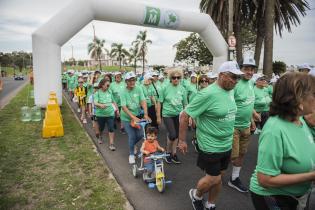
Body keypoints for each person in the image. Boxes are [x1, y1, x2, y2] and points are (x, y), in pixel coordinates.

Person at [178, 61, 244, 210]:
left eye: (237, 78)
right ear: (221, 75)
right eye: (232, 77)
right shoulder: (206, 94)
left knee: (218, 178)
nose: (235, 81)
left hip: (226, 143)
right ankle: (196, 195)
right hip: (210, 145)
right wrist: (182, 140)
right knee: (213, 178)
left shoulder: (231, 91)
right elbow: (184, 116)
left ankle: (211, 204)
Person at [249, 72, 315, 210]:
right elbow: (265, 179)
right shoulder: (275, 130)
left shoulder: (300, 120)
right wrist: (311, 176)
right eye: (314, 94)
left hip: (294, 196)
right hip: (274, 197)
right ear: (298, 98)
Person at [228, 57, 256, 193]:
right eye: (246, 69)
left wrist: (252, 120)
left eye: (251, 69)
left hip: (246, 126)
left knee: (241, 154)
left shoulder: (251, 83)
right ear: (240, 69)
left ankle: (234, 179)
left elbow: (248, 104)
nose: (249, 72)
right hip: (233, 126)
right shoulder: (235, 84)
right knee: (232, 155)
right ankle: (214, 176)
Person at [156, 68, 187, 164]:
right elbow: (159, 102)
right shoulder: (165, 88)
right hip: (167, 114)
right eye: (174, 77)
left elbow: (185, 104)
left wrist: (187, 117)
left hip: (178, 115)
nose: (176, 79)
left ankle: (174, 154)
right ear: (170, 78)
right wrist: (158, 116)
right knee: (172, 134)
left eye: (178, 77)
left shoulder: (182, 89)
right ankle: (168, 152)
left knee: (176, 135)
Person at [120, 72, 150, 164]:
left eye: (133, 80)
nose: (132, 82)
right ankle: (131, 154)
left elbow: (143, 101)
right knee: (132, 136)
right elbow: (124, 107)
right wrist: (133, 117)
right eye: (130, 80)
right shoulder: (123, 91)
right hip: (126, 118)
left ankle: (132, 144)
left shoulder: (138, 88)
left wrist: (145, 114)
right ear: (126, 81)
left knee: (141, 135)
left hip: (137, 116)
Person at [94, 78, 118, 151]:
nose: (108, 87)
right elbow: (95, 102)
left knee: (111, 128)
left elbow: (113, 102)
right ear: (102, 85)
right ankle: (100, 136)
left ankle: (111, 144)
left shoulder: (110, 92)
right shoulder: (97, 93)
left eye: (109, 85)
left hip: (110, 114)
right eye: (107, 85)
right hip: (101, 115)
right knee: (101, 128)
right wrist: (100, 105)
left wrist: (117, 111)